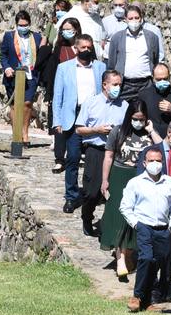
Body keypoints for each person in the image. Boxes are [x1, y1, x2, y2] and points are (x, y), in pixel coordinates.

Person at [134, 119, 171, 306]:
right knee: (151, 255)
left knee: (169, 254)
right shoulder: (152, 153)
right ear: (170, 133)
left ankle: (164, 290)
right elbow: (139, 182)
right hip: (151, 213)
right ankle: (149, 288)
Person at [100, 99, 159, 279]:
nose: (138, 122)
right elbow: (109, 156)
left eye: (142, 119)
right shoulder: (118, 131)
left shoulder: (149, 133)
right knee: (119, 216)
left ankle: (130, 254)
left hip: (141, 177)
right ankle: (120, 258)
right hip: (119, 175)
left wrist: (152, 130)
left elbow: (162, 148)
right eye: (135, 118)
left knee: (137, 216)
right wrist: (105, 180)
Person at [120, 146, 171, 313]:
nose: (155, 164)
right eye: (152, 161)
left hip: (163, 228)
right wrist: (136, 224)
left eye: (159, 161)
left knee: (157, 263)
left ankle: (148, 300)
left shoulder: (170, 182)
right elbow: (125, 207)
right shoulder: (136, 183)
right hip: (144, 226)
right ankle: (137, 295)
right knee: (146, 259)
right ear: (144, 163)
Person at [52, 34, 103, 213]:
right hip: (72, 118)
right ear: (76, 48)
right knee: (72, 158)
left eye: (89, 47)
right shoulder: (64, 68)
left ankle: (93, 194)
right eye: (83, 48)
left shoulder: (100, 67)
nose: (87, 50)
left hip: (93, 119)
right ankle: (71, 196)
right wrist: (57, 121)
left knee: (94, 159)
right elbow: (58, 95)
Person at [76, 70, 126, 235]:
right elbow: (79, 129)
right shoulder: (91, 103)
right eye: (115, 84)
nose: (118, 87)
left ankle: (110, 225)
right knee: (92, 191)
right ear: (105, 85)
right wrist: (96, 129)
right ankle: (87, 217)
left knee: (114, 191)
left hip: (116, 152)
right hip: (95, 151)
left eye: (120, 84)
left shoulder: (124, 106)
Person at [0, 9, 46, 136]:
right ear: (16, 24)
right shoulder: (9, 36)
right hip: (13, 75)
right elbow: (3, 55)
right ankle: (16, 134)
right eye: (21, 25)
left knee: (27, 103)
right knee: (14, 105)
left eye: (25, 25)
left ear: (29, 24)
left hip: (31, 75)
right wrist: (7, 67)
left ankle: (25, 131)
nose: (23, 27)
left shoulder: (36, 37)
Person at [47, 16, 84, 173]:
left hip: (81, 91)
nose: (67, 32)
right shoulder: (59, 48)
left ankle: (78, 155)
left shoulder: (84, 46)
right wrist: (51, 94)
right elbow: (52, 71)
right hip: (63, 91)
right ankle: (60, 159)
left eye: (70, 29)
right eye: (65, 29)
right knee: (60, 127)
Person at [106, 4, 166, 100]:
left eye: (136, 18)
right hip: (125, 85)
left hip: (146, 84)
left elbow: (155, 60)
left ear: (141, 18)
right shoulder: (117, 38)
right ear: (125, 19)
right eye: (130, 18)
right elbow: (112, 63)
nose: (134, 21)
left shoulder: (152, 37)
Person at [137, 62, 171, 137]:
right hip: (149, 137)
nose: (162, 82)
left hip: (170, 138)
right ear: (153, 77)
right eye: (158, 79)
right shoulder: (143, 95)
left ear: (169, 76)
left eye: (165, 79)